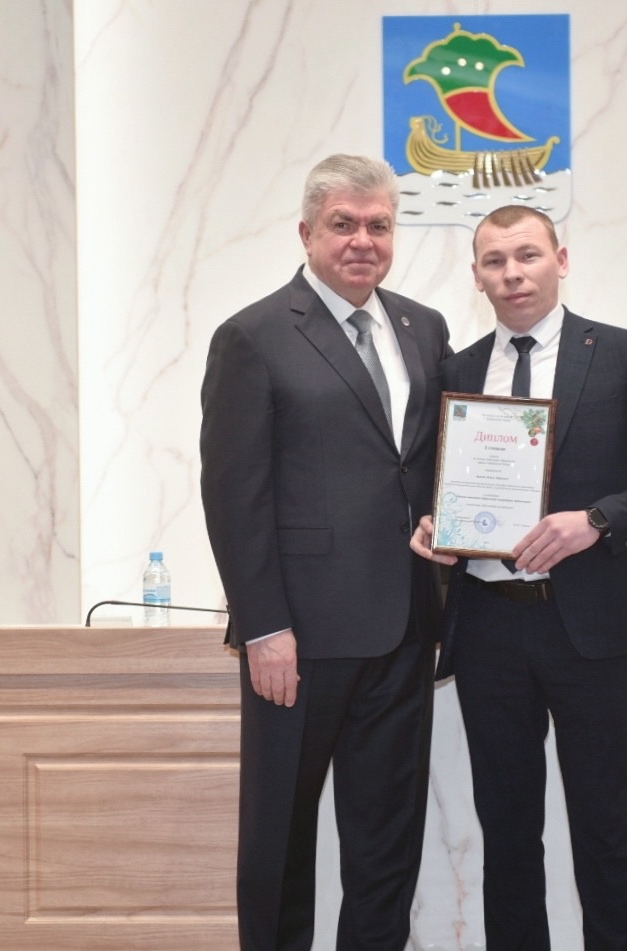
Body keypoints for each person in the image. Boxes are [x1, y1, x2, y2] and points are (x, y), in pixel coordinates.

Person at [411, 205, 627, 949]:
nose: (512, 274)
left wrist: (597, 520)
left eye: (527, 255)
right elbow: (431, 487)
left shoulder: (619, 353)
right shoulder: (456, 370)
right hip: (487, 627)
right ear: (476, 276)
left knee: (605, 832)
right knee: (508, 834)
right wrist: (431, 526)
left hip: (590, 627)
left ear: (561, 260)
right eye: (494, 261)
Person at [200, 154, 451, 950]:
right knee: (280, 835)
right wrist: (263, 625)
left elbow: (426, 462)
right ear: (307, 233)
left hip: (405, 628)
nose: (362, 241)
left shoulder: (423, 327)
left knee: (388, 840)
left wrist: (445, 521)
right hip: (299, 640)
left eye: (379, 225)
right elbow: (234, 495)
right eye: (343, 224)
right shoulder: (253, 336)